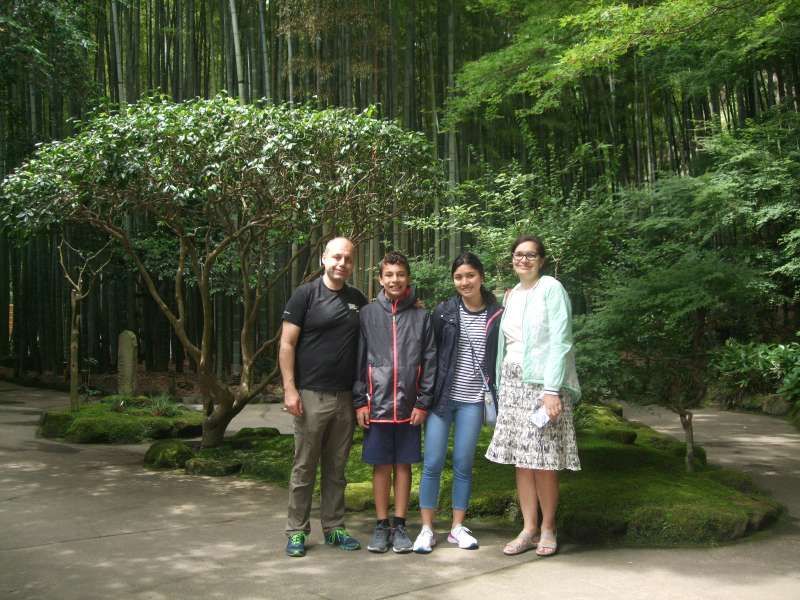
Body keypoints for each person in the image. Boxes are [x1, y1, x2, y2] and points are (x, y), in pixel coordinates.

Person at [485, 234, 581, 557]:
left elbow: (561, 341)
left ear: (541, 260)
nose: (523, 260)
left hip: (543, 385)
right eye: (518, 254)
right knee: (522, 461)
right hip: (512, 384)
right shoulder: (511, 296)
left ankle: (549, 527)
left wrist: (552, 390)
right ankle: (528, 528)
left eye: (530, 255)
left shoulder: (551, 289)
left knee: (543, 460)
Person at [280, 237, 367, 557]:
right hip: (311, 394)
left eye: (348, 258)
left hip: (345, 396)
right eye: (336, 257)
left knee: (337, 467)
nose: (342, 263)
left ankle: (334, 527)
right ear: (323, 259)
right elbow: (287, 344)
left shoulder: (358, 298)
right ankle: (296, 531)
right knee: (304, 466)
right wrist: (290, 388)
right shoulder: (305, 295)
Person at [413, 252, 503, 554]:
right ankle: (426, 528)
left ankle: (456, 527)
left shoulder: (497, 314)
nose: (464, 282)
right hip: (442, 399)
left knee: (464, 464)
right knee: (433, 463)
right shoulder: (444, 312)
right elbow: (430, 354)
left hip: (474, 401)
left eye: (470, 275)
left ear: (481, 277)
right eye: (459, 277)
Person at [353, 251, 436, 554]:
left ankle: (400, 524)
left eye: (400, 274)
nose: (395, 280)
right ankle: (380, 523)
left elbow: (430, 360)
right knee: (381, 466)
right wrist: (360, 400)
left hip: (410, 405)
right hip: (376, 404)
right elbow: (360, 360)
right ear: (380, 279)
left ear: (408, 278)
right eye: (389, 275)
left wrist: (423, 401)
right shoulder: (367, 314)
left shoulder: (421, 316)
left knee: (404, 465)